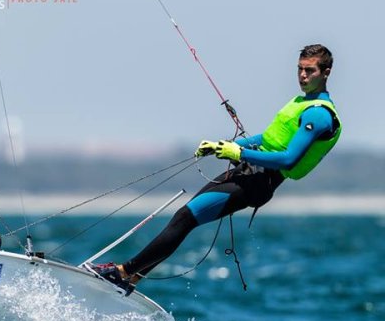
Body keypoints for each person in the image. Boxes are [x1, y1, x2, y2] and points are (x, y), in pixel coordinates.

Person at [98, 44, 341, 290]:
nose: (302, 76)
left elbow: (289, 159)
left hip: (259, 183)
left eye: (309, 71)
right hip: (247, 172)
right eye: (299, 69)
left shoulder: (319, 114)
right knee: (184, 216)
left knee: (185, 218)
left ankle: (123, 272)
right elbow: (267, 140)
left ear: (326, 72)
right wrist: (223, 146)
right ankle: (133, 277)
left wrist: (238, 152)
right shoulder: (301, 101)